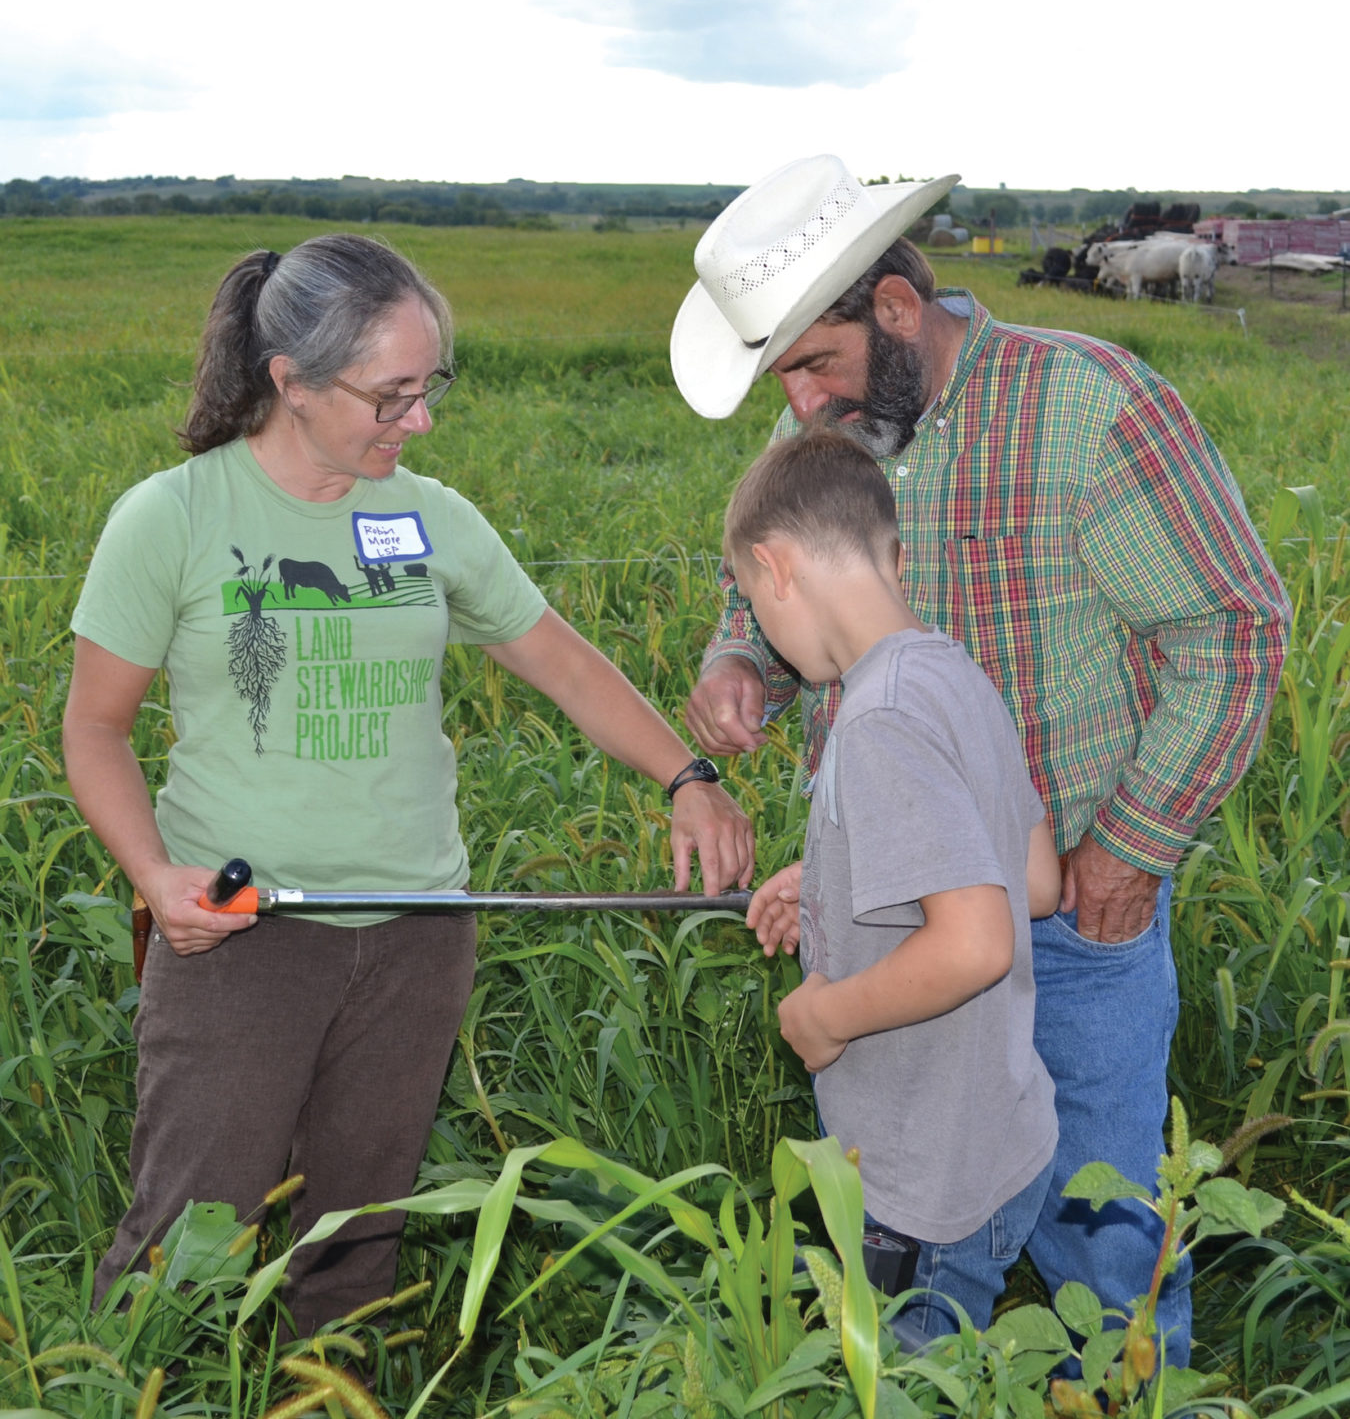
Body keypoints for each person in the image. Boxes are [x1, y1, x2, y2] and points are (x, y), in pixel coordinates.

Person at [63, 233, 754, 1337]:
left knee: (359, 1234)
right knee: (187, 1240)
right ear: (289, 382)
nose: (418, 421)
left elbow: (562, 657)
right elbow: (94, 729)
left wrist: (690, 773)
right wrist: (153, 876)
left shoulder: (430, 517)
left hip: (421, 931)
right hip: (243, 928)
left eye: (429, 389)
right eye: (389, 397)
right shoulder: (175, 517)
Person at [673, 155, 1291, 1363]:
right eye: (783, 373)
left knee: (1101, 1221)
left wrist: (1123, 857)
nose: (801, 404)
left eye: (813, 364)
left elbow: (1235, 628)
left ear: (895, 312)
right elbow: (789, 572)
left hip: (1073, 910)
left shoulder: (1092, 405)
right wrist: (741, 655)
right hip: (894, 915)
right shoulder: (852, 426)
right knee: (919, 1205)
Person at [727, 426, 1061, 1340]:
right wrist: (836, 877)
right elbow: (1031, 877)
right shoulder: (951, 672)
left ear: (777, 568)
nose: (763, 630)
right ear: (891, 553)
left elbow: (976, 942)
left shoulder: (875, 721)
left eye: (754, 603)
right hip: (1002, 1135)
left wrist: (824, 1016)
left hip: (925, 1186)